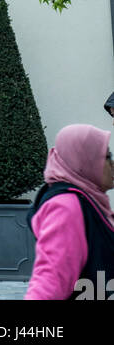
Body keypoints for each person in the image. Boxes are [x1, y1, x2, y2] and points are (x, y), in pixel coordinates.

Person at [25, 124, 114, 299]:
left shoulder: (91, 200)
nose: (112, 164)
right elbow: (50, 282)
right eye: (107, 156)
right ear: (85, 160)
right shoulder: (66, 207)